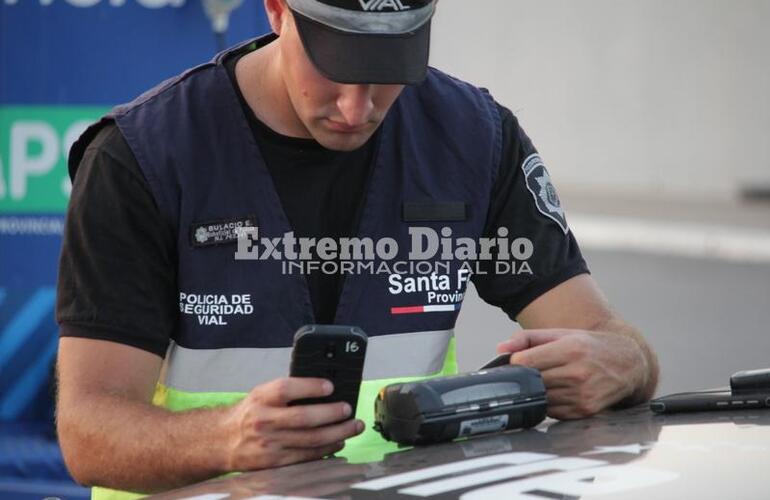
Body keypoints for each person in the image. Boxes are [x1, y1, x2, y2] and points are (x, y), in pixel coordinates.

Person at [55, 0, 659, 498]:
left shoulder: (474, 139)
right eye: (336, 68)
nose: (356, 107)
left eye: (386, 72)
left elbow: (607, 340)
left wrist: (628, 365)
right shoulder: (141, 158)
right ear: (276, 11)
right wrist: (224, 439)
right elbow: (88, 432)